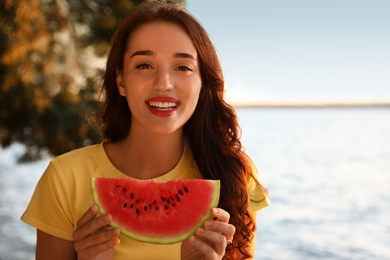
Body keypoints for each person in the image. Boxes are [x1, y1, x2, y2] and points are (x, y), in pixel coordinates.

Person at [21, 0, 270, 259]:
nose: (163, 84)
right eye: (144, 65)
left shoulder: (235, 175)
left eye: (183, 67)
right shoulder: (65, 178)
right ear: (121, 81)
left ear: (203, 82)